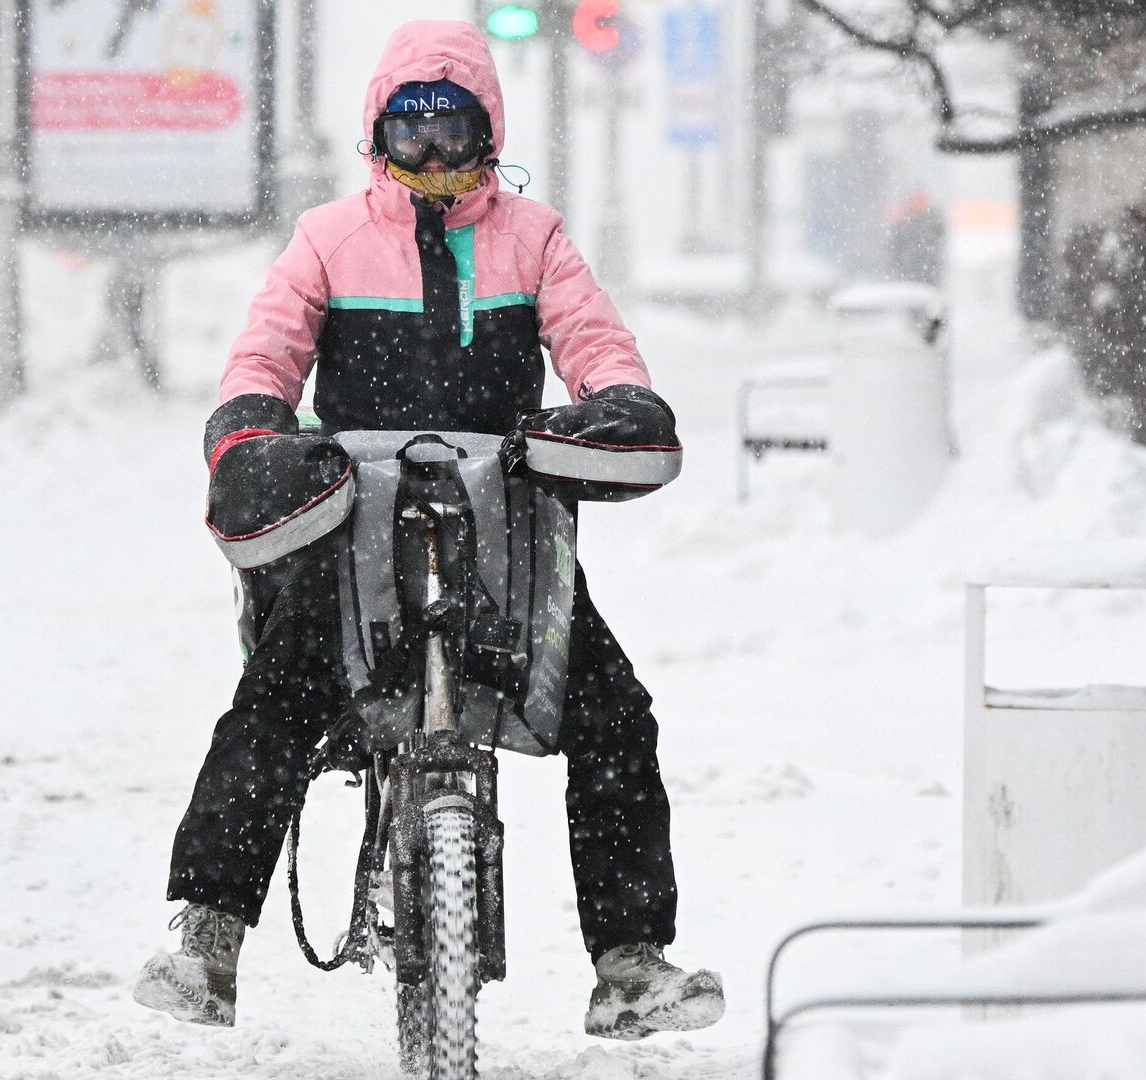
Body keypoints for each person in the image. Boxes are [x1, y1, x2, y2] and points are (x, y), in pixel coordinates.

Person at [131, 20, 724, 1041]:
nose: (438, 155)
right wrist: (250, 428)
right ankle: (209, 936)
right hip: (351, 526)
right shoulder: (326, 237)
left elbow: (596, 346)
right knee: (274, 697)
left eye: (457, 129)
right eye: (414, 132)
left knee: (616, 714)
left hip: (511, 527)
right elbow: (264, 358)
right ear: (379, 135)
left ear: (492, 132)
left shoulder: (534, 237)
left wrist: (618, 401)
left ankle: (630, 963)